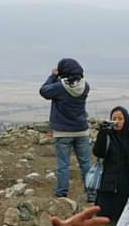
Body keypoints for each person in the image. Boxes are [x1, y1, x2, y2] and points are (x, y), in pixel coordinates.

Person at [40, 58, 93, 199]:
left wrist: (53, 76)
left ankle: (62, 192)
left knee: (63, 164)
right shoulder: (85, 86)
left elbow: (44, 91)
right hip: (81, 131)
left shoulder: (59, 87)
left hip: (63, 132)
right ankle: (92, 193)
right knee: (86, 164)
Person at [93, 105, 129, 226]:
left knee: (125, 219)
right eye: (114, 118)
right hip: (108, 186)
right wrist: (102, 133)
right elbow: (98, 153)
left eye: (120, 118)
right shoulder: (107, 136)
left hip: (126, 186)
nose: (117, 121)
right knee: (105, 218)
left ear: (126, 120)